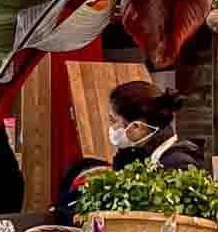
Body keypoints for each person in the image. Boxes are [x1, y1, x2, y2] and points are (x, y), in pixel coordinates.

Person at [57, 79, 202, 218]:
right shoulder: (139, 155)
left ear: (136, 127)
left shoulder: (178, 165)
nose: (111, 128)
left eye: (113, 121)